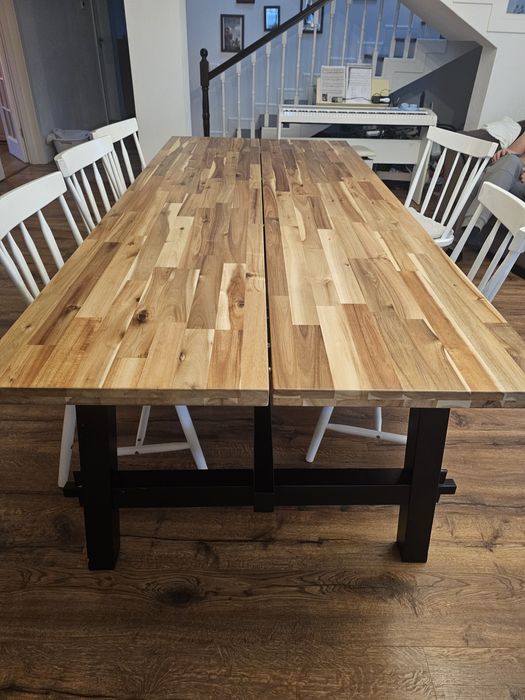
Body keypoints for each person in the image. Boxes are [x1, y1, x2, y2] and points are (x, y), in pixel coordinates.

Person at [461, 130, 525, 245]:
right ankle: (469, 231)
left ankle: (464, 234)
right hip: (515, 178)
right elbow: (512, 154)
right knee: (508, 161)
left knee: (487, 176)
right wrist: (506, 154)